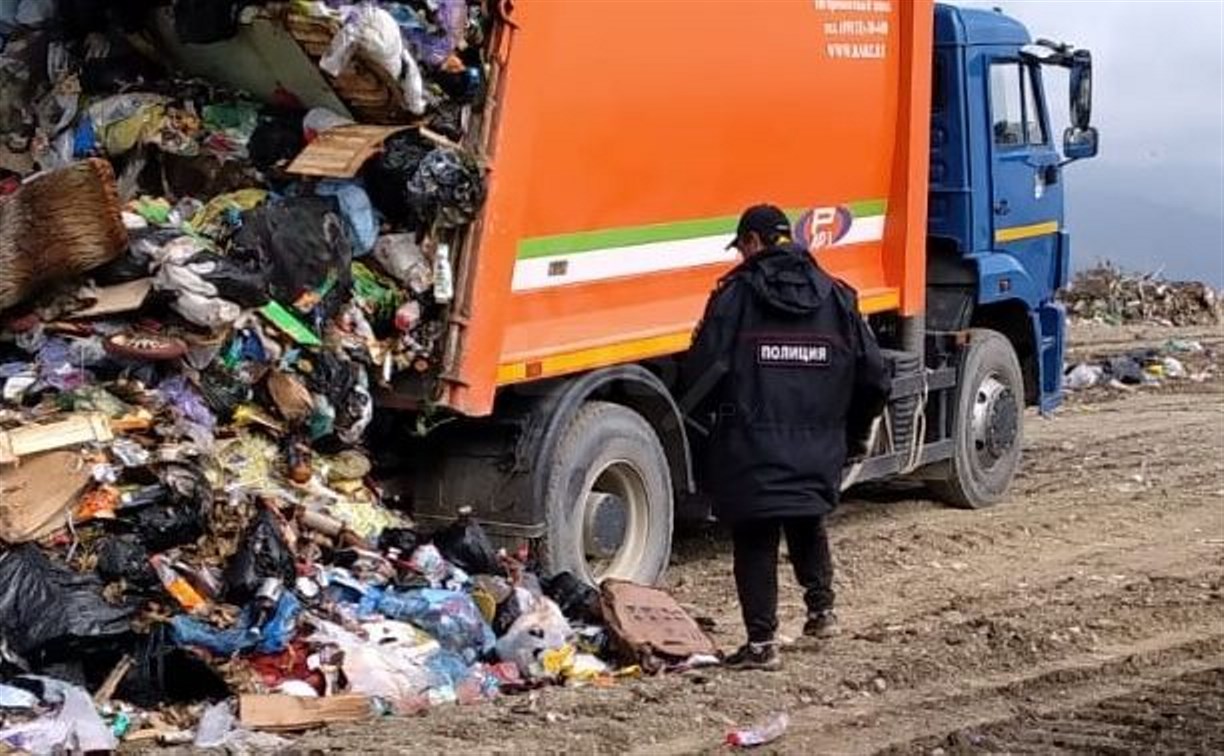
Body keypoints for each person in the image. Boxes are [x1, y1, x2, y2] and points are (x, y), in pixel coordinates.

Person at [680, 204, 890, 671]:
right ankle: (822, 611)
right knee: (804, 514)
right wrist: (852, 432)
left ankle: (761, 645)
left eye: (741, 248)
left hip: (748, 441)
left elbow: (702, 371)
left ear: (752, 242)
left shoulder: (734, 298)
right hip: (819, 440)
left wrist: (700, 425)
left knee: (756, 534)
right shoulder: (837, 297)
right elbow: (875, 376)